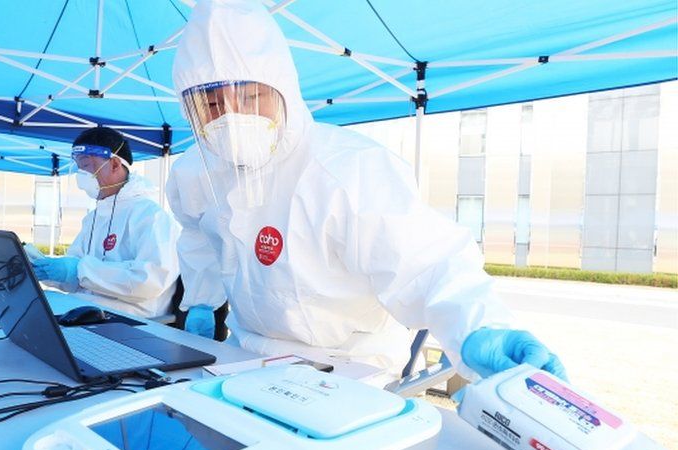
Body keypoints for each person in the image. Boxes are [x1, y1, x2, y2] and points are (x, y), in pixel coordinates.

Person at [165, 0, 566, 383]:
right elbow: (198, 237)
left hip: (346, 368)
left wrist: (480, 328)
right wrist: (202, 299)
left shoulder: (347, 169)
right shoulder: (194, 173)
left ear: (283, 88)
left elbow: (427, 264)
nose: (232, 117)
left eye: (250, 96)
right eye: (211, 105)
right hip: (244, 356)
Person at [31, 127, 181, 319]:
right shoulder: (94, 217)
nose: (81, 175)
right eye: (78, 167)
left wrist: (79, 271)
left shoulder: (151, 217)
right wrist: (46, 270)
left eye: (87, 166)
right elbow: (75, 276)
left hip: (131, 319)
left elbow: (150, 281)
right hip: (88, 311)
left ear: (115, 164)